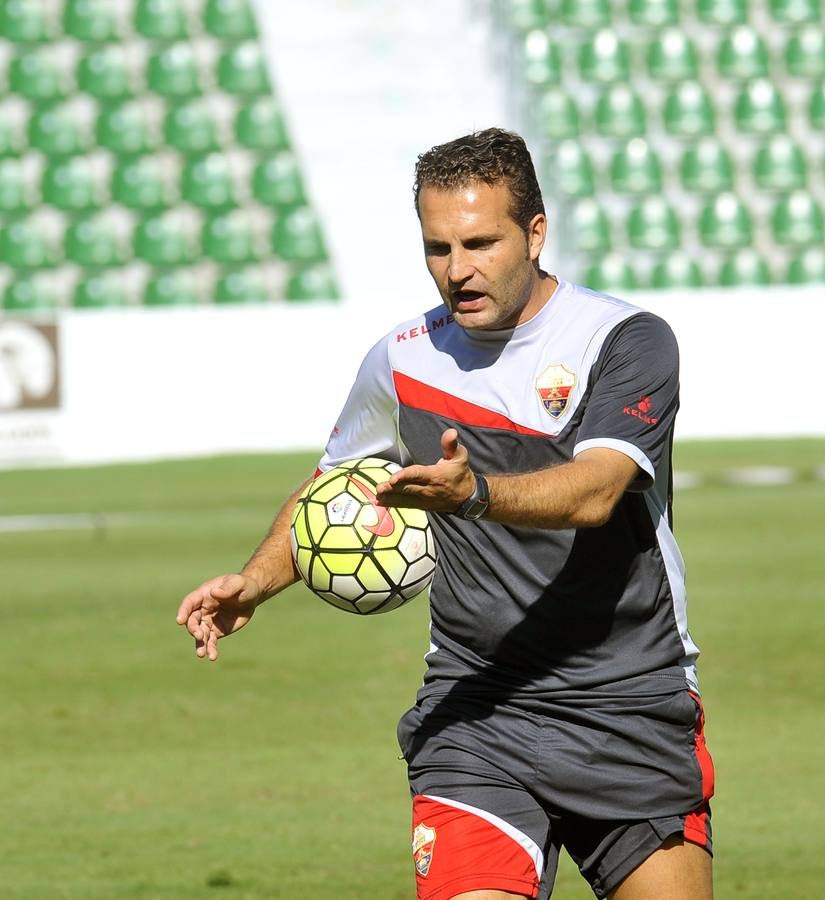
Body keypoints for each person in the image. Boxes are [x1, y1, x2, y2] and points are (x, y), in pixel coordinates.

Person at [176, 128, 715, 900]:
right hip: (477, 709)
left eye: (480, 243)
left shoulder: (624, 340)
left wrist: (474, 496)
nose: (457, 271)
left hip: (626, 699)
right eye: (437, 248)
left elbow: (598, 491)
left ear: (535, 232)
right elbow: (336, 482)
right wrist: (256, 581)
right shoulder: (401, 358)